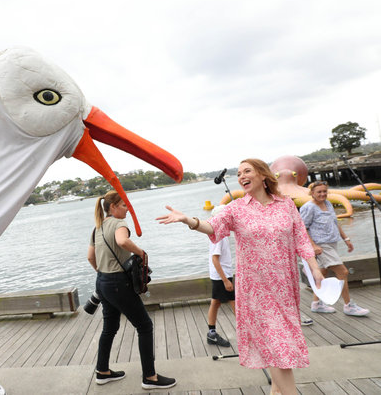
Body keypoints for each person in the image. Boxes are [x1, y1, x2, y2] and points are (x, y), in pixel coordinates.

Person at [156, 158, 324, 395]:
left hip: (285, 289)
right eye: (239, 173)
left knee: (280, 351)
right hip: (256, 293)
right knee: (278, 349)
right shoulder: (235, 209)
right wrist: (189, 221)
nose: (241, 176)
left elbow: (301, 239)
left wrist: (314, 267)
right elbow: (211, 227)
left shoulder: (286, 205)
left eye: (247, 171)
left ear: (263, 175)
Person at [87, 190, 177, 390]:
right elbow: (122, 241)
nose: (128, 209)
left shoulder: (98, 228)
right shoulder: (120, 224)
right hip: (118, 284)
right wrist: (141, 252)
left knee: (109, 327)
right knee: (144, 326)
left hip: (102, 282)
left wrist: (104, 275)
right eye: (124, 206)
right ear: (113, 207)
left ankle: (102, 371)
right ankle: (150, 377)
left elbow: (90, 258)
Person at [300, 181, 370, 316]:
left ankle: (316, 303)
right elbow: (302, 228)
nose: (322, 194)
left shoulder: (328, 204)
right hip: (322, 246)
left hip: (332, 243)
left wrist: (346, 239)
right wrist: (313, 246)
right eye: (319, 192)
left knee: (323, 273)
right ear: (312, 193)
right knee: (343, 272)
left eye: (324, 191)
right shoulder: (309, 207)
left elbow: (335, 223)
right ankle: (348, 305)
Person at [205, 205, 235, 347]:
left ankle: (211, 334)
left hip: (220, 275)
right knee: (236, 305)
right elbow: (215, 259)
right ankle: (250, 335)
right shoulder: (219, 237)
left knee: (215, 303)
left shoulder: (219, 234)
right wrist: (225, 280)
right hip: (222, 276)